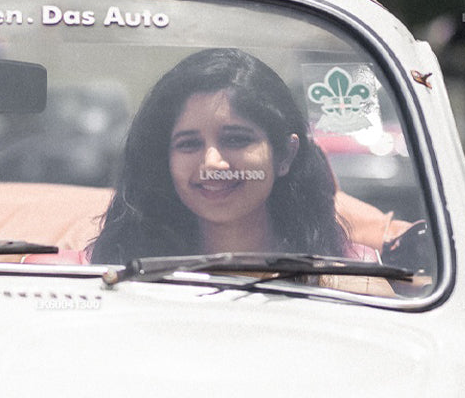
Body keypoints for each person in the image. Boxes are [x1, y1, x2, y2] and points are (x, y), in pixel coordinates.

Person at [90, 48, 373, 269]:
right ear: (165, 161)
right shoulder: (108, 273)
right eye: (188, 144)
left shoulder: (351, 276)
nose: (212, 164)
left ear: (285, 155)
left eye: (236, 139)